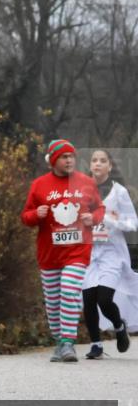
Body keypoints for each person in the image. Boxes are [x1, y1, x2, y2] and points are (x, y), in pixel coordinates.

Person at [20, 140, 104, 363]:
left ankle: (68, 343)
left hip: (78, 250)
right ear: (53, 160)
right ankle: (59, 342)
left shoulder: (86, 182)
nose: (69, 160)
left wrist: (93, 218)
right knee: (54, 302)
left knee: (69, 289)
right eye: (64, 157)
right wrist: (36, 214)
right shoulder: (39, 185)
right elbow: (25, 217)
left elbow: (100, 208)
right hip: (49, 254)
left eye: (71, 156)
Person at [82, 149, 136, 358]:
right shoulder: (82, 190)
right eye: (94, 160)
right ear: (90, 166)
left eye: (102, 160)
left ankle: (119, 327)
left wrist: (110, 220)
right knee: (88, 299)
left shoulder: (119, 191)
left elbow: (132, 223)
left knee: (104, 299)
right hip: (89, 251)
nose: (98, 164)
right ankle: (96, 345)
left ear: (110, 167)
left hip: (112, 252)